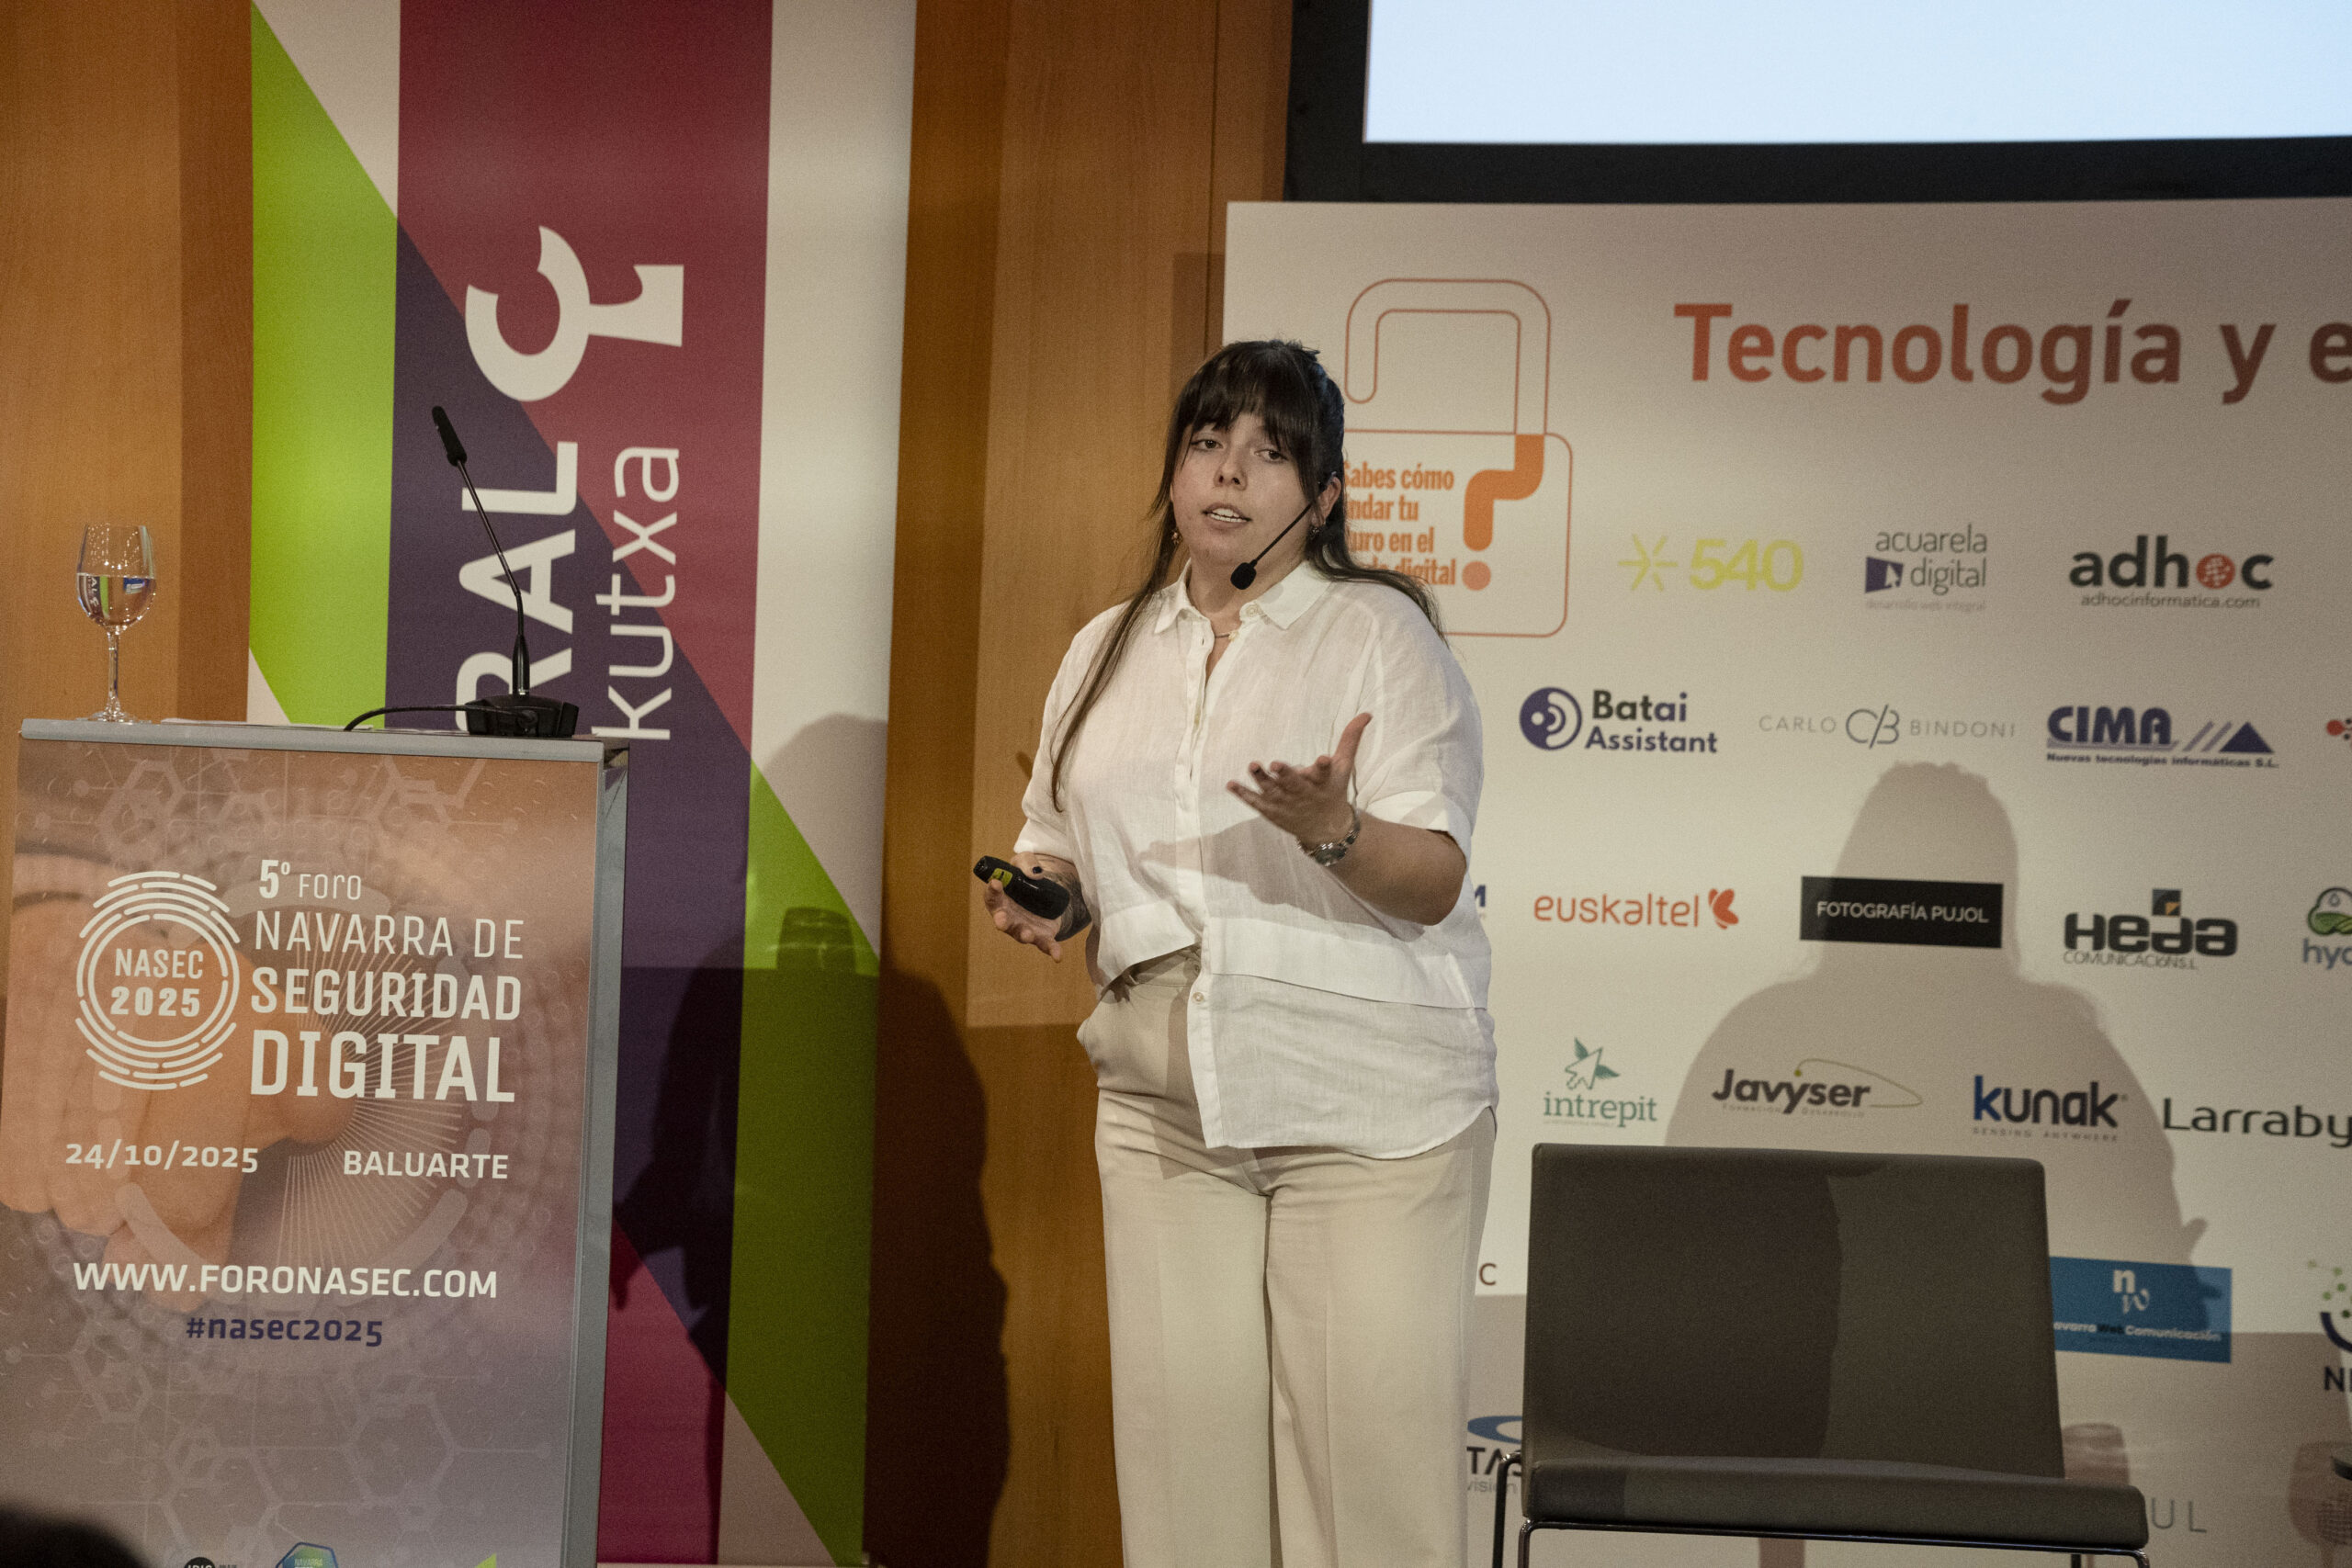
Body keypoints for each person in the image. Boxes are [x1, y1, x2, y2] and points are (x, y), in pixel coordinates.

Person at [980, 339, 1495, 1568]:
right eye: (1208, 442)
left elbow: (1432, 879)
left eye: (1270, 453)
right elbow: (1060, 838)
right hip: (1165, 1109)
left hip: (1366, 1108)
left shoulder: (1380, 635)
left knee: (1367, 1493)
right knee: (1183, 1485)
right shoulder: (1106, 646)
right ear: (1173, 471)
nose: (1229, 473)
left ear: (1324, 496)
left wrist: (1335, 832)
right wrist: (1051, 896)